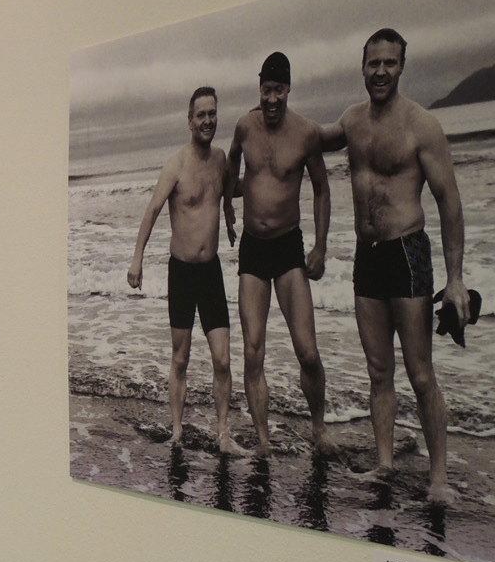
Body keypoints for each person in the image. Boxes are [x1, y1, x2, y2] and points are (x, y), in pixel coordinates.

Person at [323, 28, 468, 503]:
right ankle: (384, 465)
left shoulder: (422, 126)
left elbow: (449, 202)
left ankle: (439, 478)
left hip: (407, 254)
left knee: (420, 373)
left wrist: (455, 280)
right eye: (373, 63)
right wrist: (267, 117)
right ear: (362, 68)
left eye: (389, 62)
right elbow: (310, 141)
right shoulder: (351, 121)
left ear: (402, 66)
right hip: (367, 256)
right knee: (378, 370)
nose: (381, 71)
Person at [226, 52, 333, 457]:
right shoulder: (244, 127)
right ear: (260, 88)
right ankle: (264, 441)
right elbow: (231, 169)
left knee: (307, 350)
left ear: (289, 89)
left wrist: (320, 245)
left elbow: (321, 189)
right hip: (253, 249)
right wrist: (227, 207)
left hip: (288, 248)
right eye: (266, 90)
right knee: (253, 350)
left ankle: (319, 430)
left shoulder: (306, 133)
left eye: (279, 90)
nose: (272, 99)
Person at [127, 87, 245, 455]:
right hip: (181, 274)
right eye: (201, 115)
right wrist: (137, 258)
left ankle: (223, 434)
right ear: (189, 121)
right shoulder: (175, 165)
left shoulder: (221, 159)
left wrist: (230, 216)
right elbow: (152, 210)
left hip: (210, 273)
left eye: (212, 114)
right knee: (180, 358)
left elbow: (228, 191)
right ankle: (177, 431)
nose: (207, 121)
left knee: (222, 359)